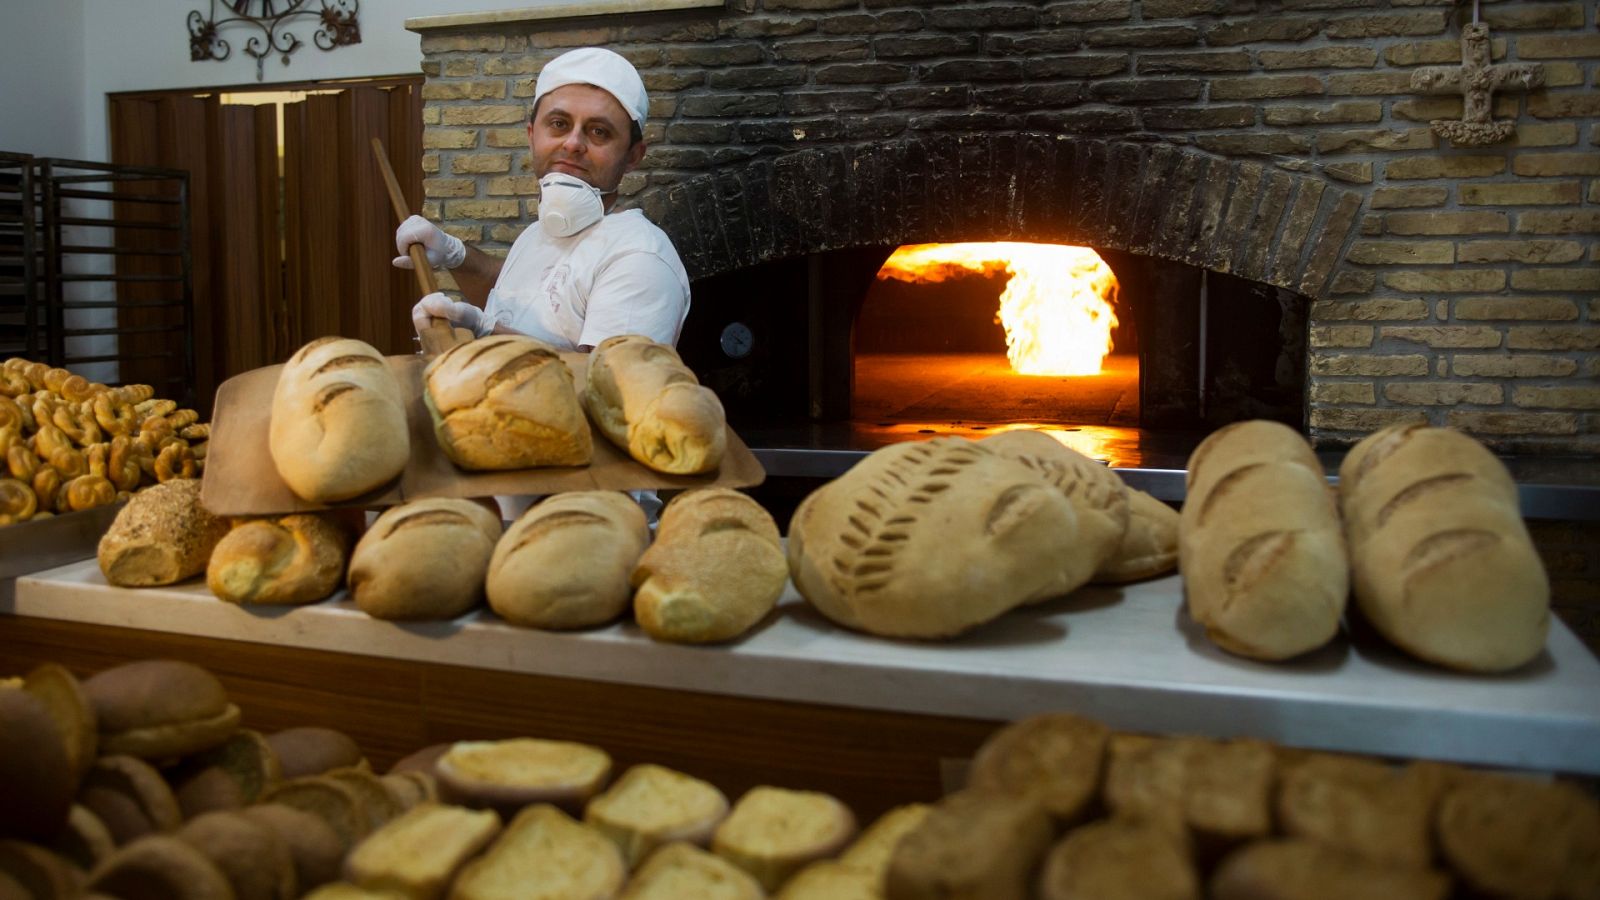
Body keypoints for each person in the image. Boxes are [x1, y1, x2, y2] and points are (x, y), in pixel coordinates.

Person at [394, 47, 691, 352]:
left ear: (632, 156)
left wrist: (485, 333)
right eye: (559, 124)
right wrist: (454, 254)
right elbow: (518, 299)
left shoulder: (639, 257)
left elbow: (610, 384)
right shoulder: (538, 233)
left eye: (599, 131)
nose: (574, 143)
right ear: (532, 134)